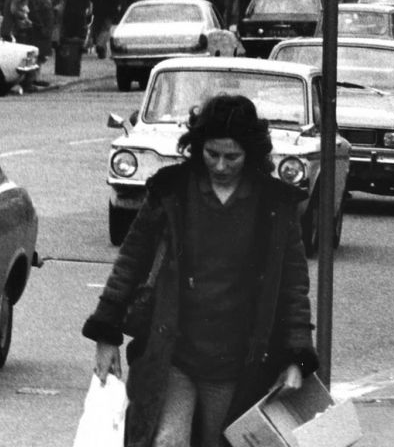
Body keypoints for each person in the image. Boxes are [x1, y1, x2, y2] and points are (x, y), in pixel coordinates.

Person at [82, 94, 317, 447]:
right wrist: (105, 334)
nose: (220, 165)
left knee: (219, 442)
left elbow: (293, 287)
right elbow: (130, 262)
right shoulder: (170, 191)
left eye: (232, 157)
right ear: (197, 147)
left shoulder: (274, 204)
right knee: (166, 441)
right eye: (212, 154)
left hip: (238, 360)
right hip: (174, 353)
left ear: (251, 154)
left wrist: (297, 356)